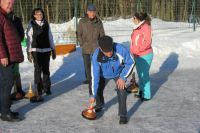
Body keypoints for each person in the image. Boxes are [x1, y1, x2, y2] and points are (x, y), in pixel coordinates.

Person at [89, 36, 134, 124]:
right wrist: (92, 95)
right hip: (102, 75)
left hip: (118, 73)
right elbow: (95, 76)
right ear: (101, 49)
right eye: (106, 52)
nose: (109, 53)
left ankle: (123, 115)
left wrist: (122, 77)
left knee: (122, 90)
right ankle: (99, 105)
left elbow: (130, 62)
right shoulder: (96, 56)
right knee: (96, 89)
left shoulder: (120, 49)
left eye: (110, 50)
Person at [0, 0, 24, 122]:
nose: (11, 5)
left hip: (8, 56)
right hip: (4, 58)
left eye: (12, 3)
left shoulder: (5, 16)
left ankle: (4, 109)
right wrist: (2, 55)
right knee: (7, 83)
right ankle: (5, 113)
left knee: (5, 83)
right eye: (8, 2)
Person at [26, 8, 56, 102]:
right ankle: (38, 90)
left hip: (46, 49)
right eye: (38, 14)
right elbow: (29, 39)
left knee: (46, 69)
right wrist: (29, 51)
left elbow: (50, 36)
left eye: (41, 14)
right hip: (36, 50)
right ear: (34, 15)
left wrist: (53, 49)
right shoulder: (31, 24)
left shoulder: (46, 24)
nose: (40, 15)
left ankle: (47, 88)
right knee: (38, 70)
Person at [77, 3, 105, 94]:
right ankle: (89, 79)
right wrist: (81, 43)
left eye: (93, 11)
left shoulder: (99, 22)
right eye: (90, 11)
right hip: (86, 46)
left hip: (96, 46)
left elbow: (102, 34)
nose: (92, 13)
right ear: (87, 12)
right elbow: (78, 33)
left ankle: (97, 78)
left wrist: (102, 44)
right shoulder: (82, 21)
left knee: (97, 63)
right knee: (87, 64)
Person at [130, 12, 153, 101]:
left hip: (145, 55)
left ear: (138, 19)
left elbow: (147, 42)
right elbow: (134, 41)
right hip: (137, 55)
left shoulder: (146, 27)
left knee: (144, 75)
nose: (133, 20)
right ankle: (141, 92)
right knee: (140, 75)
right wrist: (132, 51)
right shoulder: (137, 27)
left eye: (134, 18)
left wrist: (138, 49)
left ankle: (146, 95)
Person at [7, 11, 25, 100]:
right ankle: (15, 92)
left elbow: (21, 34)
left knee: (14, 71)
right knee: (12, 72)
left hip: (13, 50)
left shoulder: (16, 19)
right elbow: (21, 35)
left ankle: (18, 91)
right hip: (6, 50)